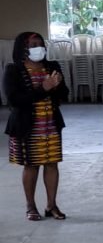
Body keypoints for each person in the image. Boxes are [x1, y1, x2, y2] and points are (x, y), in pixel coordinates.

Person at [3, 32, 69, 221]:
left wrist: (58, 86)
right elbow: (14, 100)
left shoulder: (52, 66)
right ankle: (31, 207)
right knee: (31, 165)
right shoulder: (13, 70)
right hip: (27, 126)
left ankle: (51, 205)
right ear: (23, 48)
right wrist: (44, 88)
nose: (38, 47)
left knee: (52, 163)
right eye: (33, 45)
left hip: (50, 124)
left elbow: (64, 95)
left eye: (40, 44)